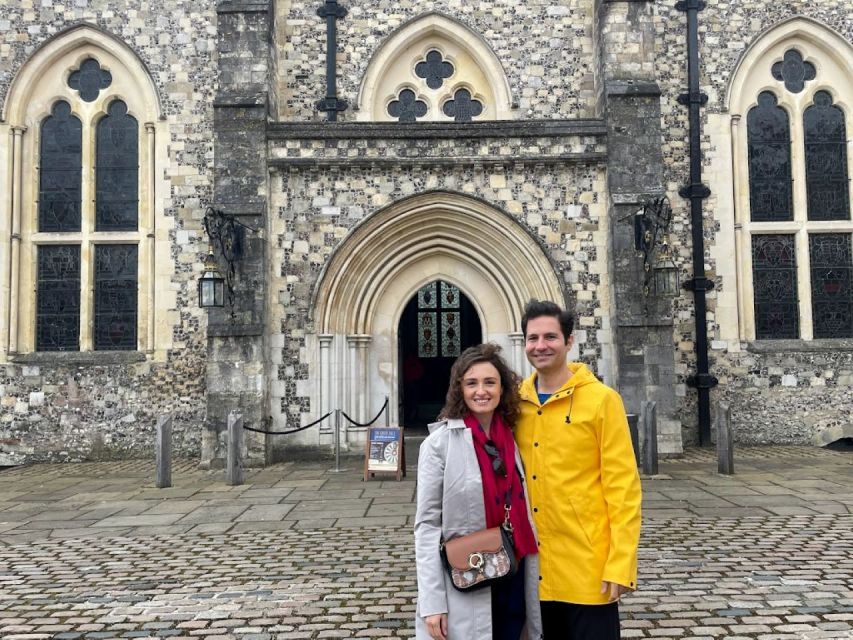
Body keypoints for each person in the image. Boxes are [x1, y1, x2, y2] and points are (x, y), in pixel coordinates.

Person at [515, 300, 641, 640]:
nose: (540, 346)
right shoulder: (515, 404)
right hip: (532, 573)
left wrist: (620, 564)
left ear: (569, 341)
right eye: (532, 338)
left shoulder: (602, 400)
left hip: (587, 569)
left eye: (550, 337)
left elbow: (623, 488)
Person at [414, 343, 543, 640]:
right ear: (460, 389)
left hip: (514, 568)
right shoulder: (438, 445)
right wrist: (432, 604)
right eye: (471, 383)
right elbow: (427, 527)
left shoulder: (513, 438)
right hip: (466, 574)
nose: (481, 391)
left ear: (502, 389)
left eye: (490, 382)